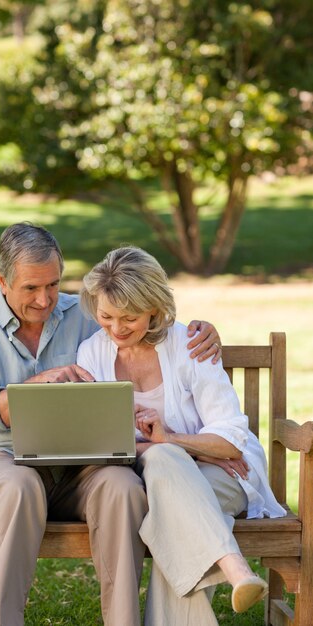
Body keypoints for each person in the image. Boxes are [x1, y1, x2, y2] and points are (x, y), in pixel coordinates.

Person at [0, 222, 222, 626]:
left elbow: (139, 325)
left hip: (81, 466)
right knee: (20, 485)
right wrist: (34, 386)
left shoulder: (84, 313)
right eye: (31, 288)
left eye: (54, 285)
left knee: (123, 487)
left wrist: (199, 332)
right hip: (2, 460)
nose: (45, 300)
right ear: (2, 281)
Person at [77, 245, 287, 626]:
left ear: (154, 309)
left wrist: (171, 440)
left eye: (130, 317)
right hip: (163, 485)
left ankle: (232, 567)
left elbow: (230, 442)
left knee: (165, 474)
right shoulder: (92, 352)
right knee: (170, 504)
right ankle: (233, 566)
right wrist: (188, 450)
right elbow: (100, 441)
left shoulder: (190, 345)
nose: (116, 329)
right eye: (106, 316)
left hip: (228, 476)